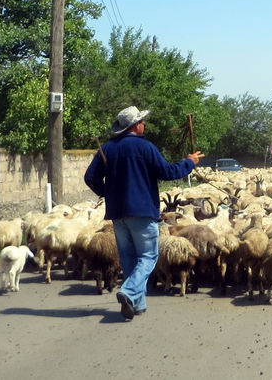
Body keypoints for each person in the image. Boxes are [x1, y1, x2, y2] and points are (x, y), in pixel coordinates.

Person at [84, 106, 202, 321]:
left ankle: (136, 304)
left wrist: (108, 193)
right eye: (142, 121)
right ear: (135, 125)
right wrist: (189, 162)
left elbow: (90, 178)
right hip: (142, 211)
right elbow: (167, 172)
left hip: (118, 214)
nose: (144, 124)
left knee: (129, 257)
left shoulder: (108, 149)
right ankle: (129, 292)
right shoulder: (145, 147)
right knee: (149, 256)